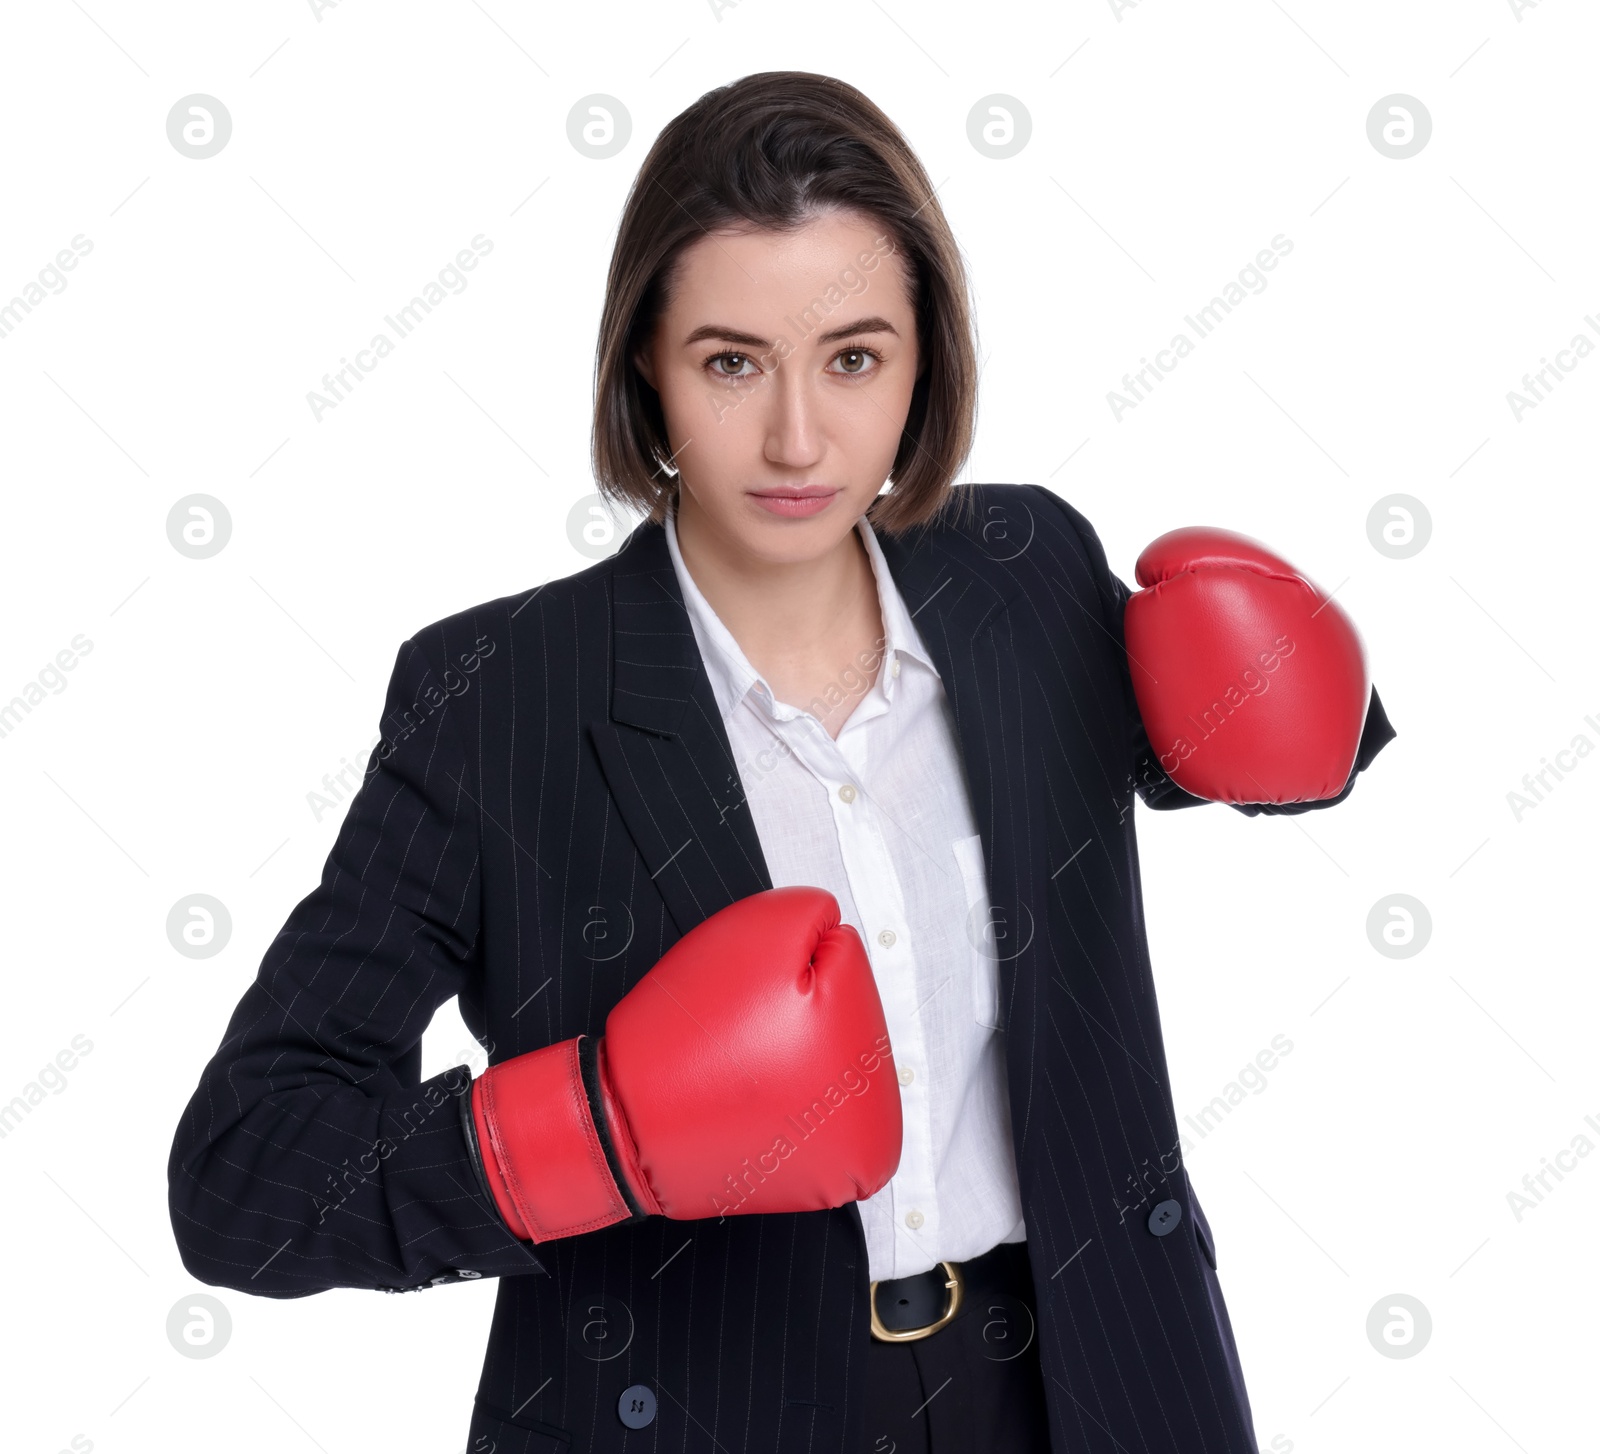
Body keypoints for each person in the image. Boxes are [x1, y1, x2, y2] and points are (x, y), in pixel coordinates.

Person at [168, 71, 1395, 1453]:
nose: (799, 438)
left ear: (927, 356)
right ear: (646, 360)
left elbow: (1234, 747)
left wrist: (1321, 719)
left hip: (1092, 1389)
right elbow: (241, 1179)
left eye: (854, 358)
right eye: (732, 360)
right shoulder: (500, 700)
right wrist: (593, 1129)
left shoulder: (1028, 574)